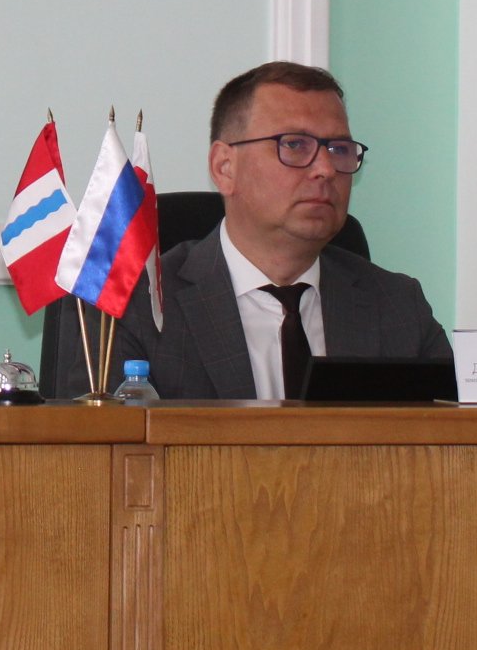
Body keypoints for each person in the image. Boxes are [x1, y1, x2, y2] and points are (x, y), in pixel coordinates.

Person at [38, 62, 451, 400]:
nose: (326, 169)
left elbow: (452, 446)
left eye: (339, 149)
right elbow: (101, 459)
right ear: (224, 168)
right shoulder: (132, 307)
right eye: (294, 145)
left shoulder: (398, 307)